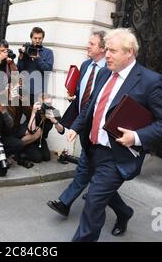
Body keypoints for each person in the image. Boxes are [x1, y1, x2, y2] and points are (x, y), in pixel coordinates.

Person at [67, 28, 162, 242]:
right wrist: (76, 126)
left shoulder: (150, 81)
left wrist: (135, 137)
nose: (106, 54)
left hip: (118, 154)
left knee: (93, 202)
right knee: (101, 191)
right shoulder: (105, 72)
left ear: (130, 53)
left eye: (113, 51)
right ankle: (124, 212)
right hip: (93, 147)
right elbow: (92, 104)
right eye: (106, 49)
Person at [48, 31, 107, 217]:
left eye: (92, 43)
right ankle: (116, 205)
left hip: (99, 127)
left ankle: (65, 202)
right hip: (83, 122)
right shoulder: (85, 65)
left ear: (103, 48)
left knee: (85, 164)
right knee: (91, 164)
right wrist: (75, 96)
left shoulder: (109, 71)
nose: (87, 46)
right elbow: (85, 93)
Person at [17, 27, 54, 106]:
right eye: (35, 38)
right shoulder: (26, 51)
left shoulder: (48, 52)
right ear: (31, 38)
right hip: (24, 91)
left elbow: (48, 70)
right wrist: (21, 56)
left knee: (36, 117)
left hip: (39, 93)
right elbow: (19, 69)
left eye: (40, 38)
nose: (37, 40)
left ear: (43, 38)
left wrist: (38, 59)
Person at [24, 93, 65, 163]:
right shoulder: (36, 109)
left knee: (46, 157)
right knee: (37, 158)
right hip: (30, 136)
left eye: (49, 104)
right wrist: (35, 112)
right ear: (41, 102)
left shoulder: (54, 111)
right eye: (45, 104)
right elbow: (31, 130)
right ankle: (22, 152)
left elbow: (62, 131)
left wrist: (54, 121)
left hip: (41, 139)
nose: (47, 107)